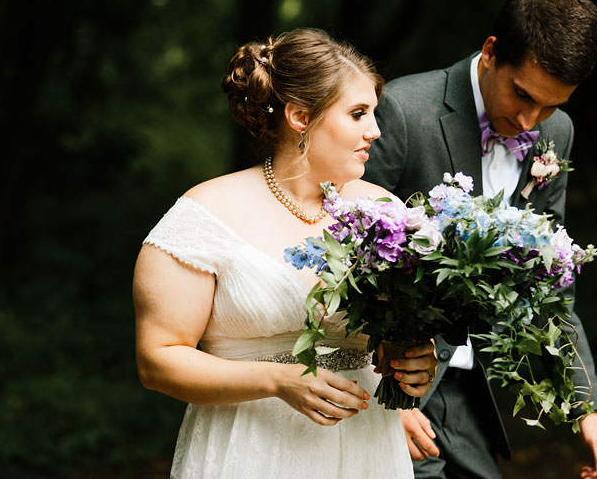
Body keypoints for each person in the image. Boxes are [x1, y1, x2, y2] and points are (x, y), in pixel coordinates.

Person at [133, 28, 439, 479]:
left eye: (373, 113)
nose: (375, 131)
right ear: (300, 116)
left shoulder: (387, 212)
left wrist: (411, 359)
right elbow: (158, 360)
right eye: (357, 114)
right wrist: (278, 380)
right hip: (250, 447)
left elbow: (395, 333)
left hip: (365, 447)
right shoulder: (204, 214)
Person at [363, 0, 597, 479]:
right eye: (522, 94)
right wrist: (377, 396)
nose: (530, 121)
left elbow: (550, 285)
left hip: (472, 395)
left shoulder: (556, 133)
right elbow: (344, 257)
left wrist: (585, 405)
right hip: (390, 390)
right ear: (490, 53)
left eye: (550, 106)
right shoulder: (404, 109)